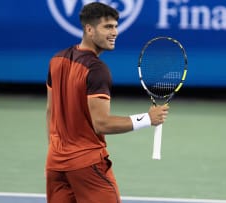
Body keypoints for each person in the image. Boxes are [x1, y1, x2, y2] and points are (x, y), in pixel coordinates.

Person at [45, 2, 169, 203]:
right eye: (108, 27)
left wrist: (57, 154)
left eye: (116, 26)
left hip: (55, 164)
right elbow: (101, 123)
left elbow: (51, 111)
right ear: (89, 29)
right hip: (87, 166)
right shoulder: (96, 69)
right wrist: (147, 118)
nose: (115, 32)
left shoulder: (56, 60)